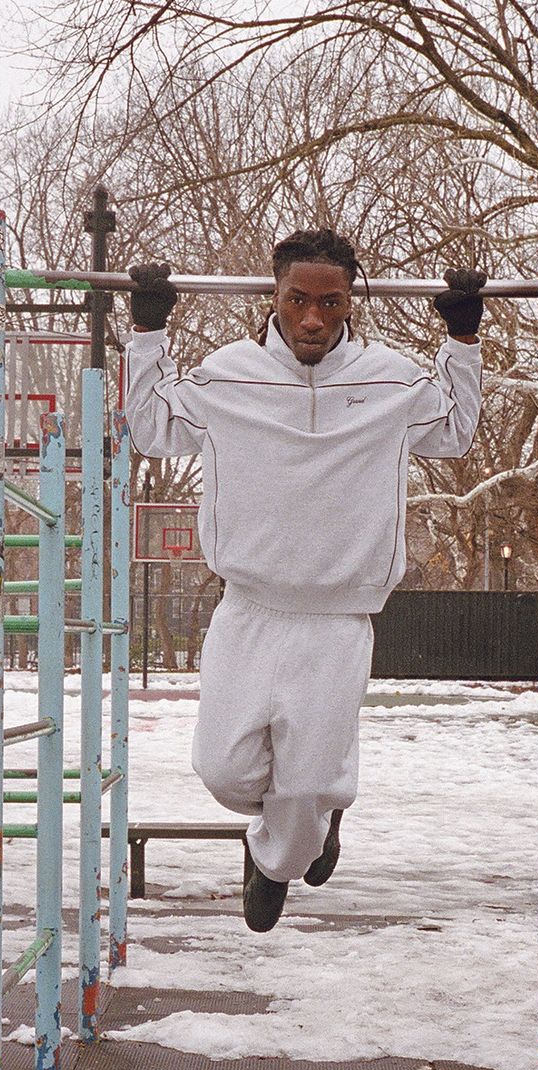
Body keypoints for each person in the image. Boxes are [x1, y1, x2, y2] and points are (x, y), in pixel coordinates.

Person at [124, 230, 484, 932]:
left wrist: (462, 339)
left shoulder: (389, 379)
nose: (313, 319)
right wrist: (148, 330)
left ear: (351, 303)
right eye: (297, 301)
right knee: (224, 772)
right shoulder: (228, 375)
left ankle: (283, 852)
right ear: (275, 297)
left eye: (330, 302)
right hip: (249, 608)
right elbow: (151, 426)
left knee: (306, 785)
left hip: (338, 618)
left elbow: (455, 430)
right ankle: (315, 815)